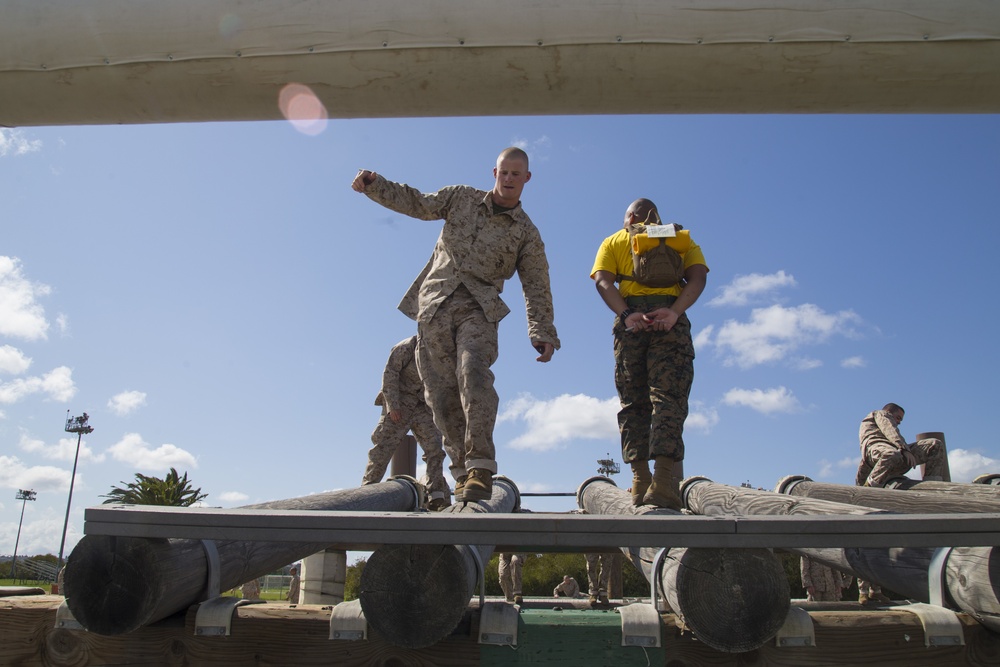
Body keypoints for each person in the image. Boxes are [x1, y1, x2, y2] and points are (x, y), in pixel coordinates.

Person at [352, 147, 560, 502]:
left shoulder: (526, 233)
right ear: (493, 172)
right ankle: (462, 471)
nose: (508, 180)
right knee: (439, 395)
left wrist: (541, 330)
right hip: (433, 306)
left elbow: (536, 283)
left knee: (473, 373)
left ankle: (481, 465)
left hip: (478, 308)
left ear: (527, 179)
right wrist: (376, 185)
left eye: (516, 174)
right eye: (503, 172)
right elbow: (417, 203)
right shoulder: (460, 198)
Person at [591, 198, 709, 508]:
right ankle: (663, 481)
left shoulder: (615, 240)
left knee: (633, 401)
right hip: (670, 320)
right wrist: (673, 312)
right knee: (669, 398)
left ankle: (639, 479)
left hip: (632, 326)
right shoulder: (679, 239)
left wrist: (626, 314)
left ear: (629, 217)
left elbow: (603, 281)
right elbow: (698, 277)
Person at [364, 335, 450, 510]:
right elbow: (390, 373)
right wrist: (393, 406)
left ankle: (436, 494)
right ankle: (368, 489)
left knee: (435, 447)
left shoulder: (443, 353)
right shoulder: (406, 347)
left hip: (423, 407)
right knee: (383, 446)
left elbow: (443, 383)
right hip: (400, 404)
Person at [856, 402, 948, 488]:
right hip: (880, 456)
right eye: (898, 418)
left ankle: (932, 485)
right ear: (888, 412)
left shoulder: (895, 444)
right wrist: (904, 449)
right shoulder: (880, 414)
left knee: (934, 444)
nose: (899, 422)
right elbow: (889, 429)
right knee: (891, 454)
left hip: (898, 456)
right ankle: (871, 485)